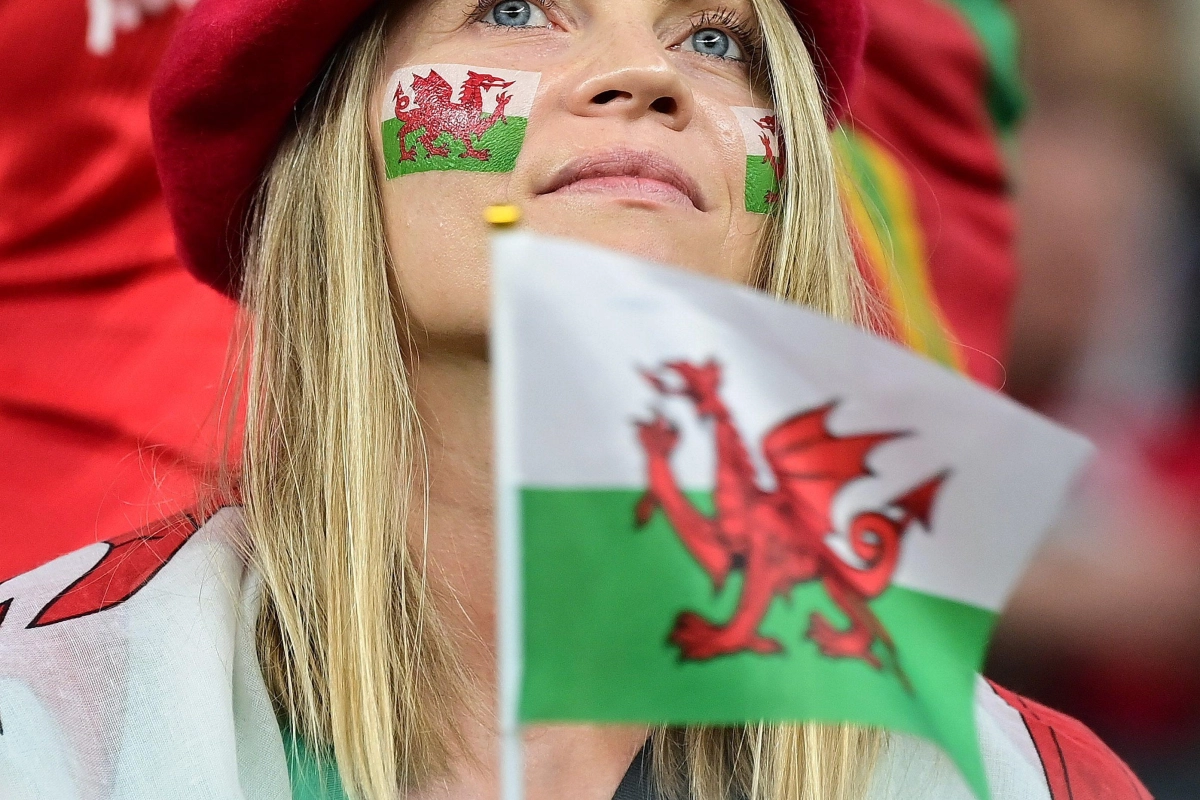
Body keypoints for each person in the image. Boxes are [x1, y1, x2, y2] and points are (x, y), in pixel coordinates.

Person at [0, 1, 1150, 799]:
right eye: (512, 8)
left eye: (715, 37)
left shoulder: (1033, 779)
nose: (651, 76)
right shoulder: (42, 715)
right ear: (326, 148)